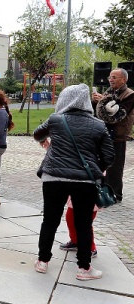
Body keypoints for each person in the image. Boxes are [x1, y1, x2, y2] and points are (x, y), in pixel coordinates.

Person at [33, 83, 114, 281]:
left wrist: (50, 141)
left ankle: (43, 261)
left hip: (54, 178)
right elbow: (109, 156)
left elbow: (37, 134)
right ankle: (84, 268)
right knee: (84, 224)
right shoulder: (98, 124)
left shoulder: (55, 119)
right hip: (84, 181)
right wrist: (94, 166)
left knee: (50, 220)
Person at [92, 67, 134, 203]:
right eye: (110, 77)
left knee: (115, 168)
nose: (111, 80)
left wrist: (103, 101)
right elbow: (100, 113)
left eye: (114, 77)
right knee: (102, 164)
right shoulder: (109, 91)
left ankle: (116, 195)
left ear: (124, 79)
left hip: (118, 136)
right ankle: (103, 193)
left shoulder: (129, 94)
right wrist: (95, 102)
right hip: (104, 134)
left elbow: (118, 115)